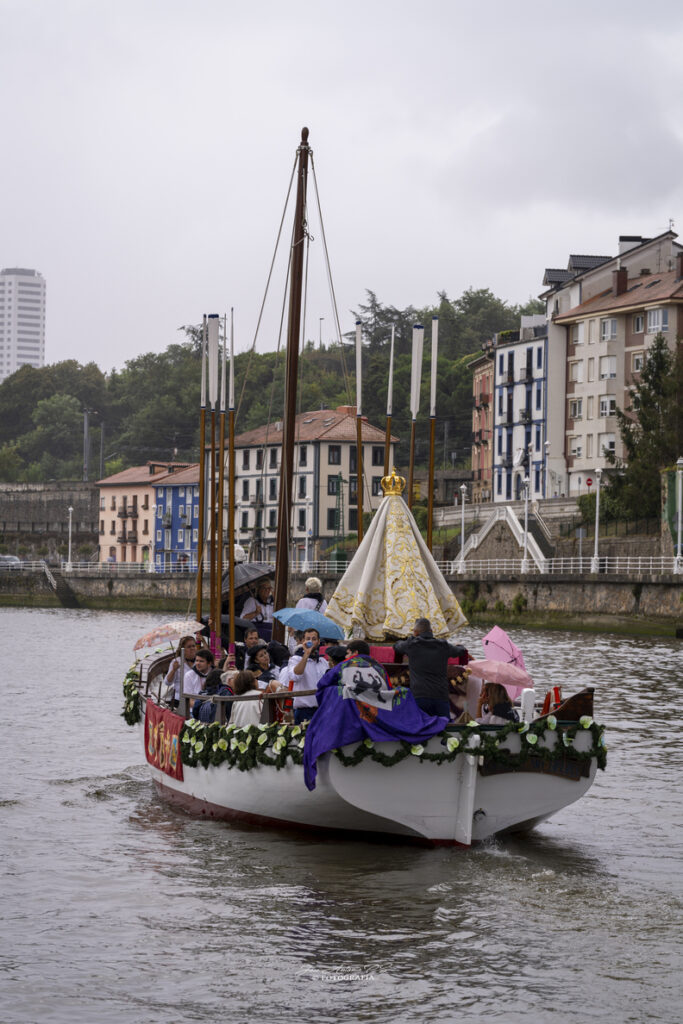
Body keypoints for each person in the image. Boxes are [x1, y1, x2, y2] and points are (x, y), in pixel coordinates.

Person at [393, 618, 468, 718]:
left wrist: (410, 638)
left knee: (421, 725)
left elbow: (396, 646)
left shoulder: (411, 645)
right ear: (431, 631)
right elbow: (461, 651)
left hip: (420, 697)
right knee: (443, 725)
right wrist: (460, 646)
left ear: (415, 632)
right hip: (440, 697)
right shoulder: (443, 645)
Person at [281, 628, 328, 724]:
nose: (310, 642)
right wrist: (306, 654)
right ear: (303, 641)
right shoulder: (295, 659)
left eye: (314, 639)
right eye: (308, 639)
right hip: (304, 711)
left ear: (318, 642)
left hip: (322, 709)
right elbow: (295, 676)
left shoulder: (323, 661)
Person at [163, 636, 197, 707]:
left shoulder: (199, 661)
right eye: (189, 647)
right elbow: (167, 682)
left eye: (193, 646)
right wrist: (174, 670)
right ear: (183, 649)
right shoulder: (177, 661)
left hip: (196, 698)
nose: (192, 648)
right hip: (179, 698)